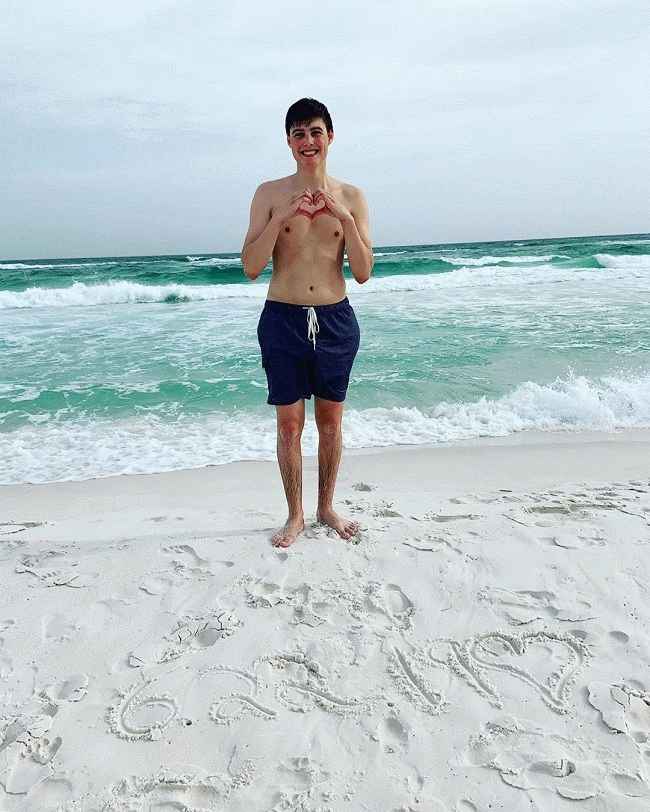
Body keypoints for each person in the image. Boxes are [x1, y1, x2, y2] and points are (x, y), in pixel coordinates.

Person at [241, 97, 373, 548]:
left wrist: (345, 220)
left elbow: (363, 271)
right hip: (283, 318)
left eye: (316, 131)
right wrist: (280, 218)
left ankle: (326, 508)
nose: (308, 141)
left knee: (330, 423)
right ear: (289, 141)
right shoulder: (268, 194)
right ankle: (295, 515)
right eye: (299, 133)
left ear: (329, 136)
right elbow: (251, 266)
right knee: (289, 425)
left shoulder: (352, 197)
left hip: (335, 319)